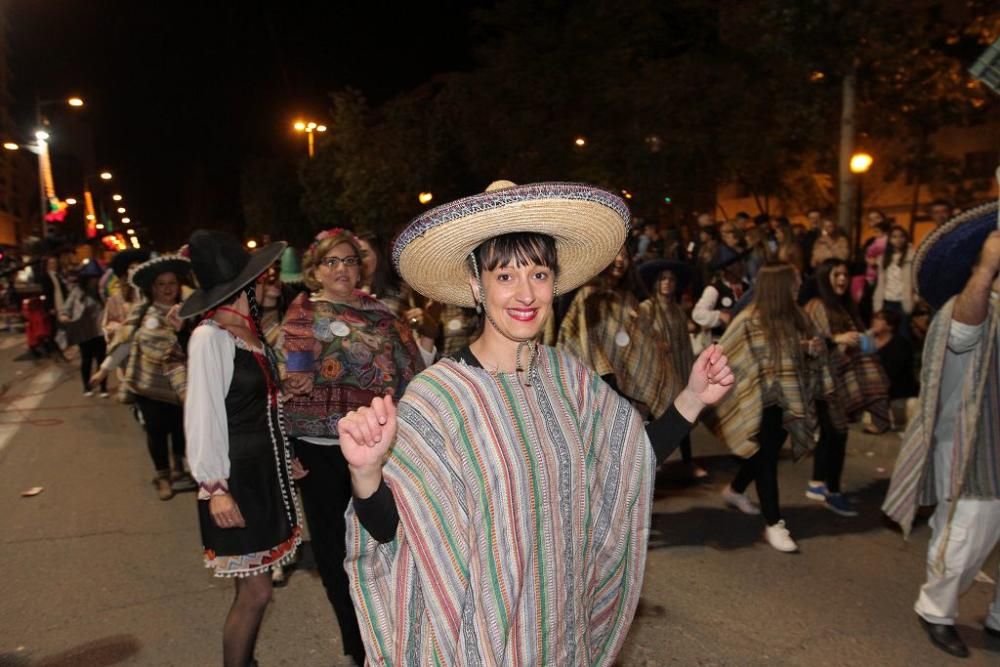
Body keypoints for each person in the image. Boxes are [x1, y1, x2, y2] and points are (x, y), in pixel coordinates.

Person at [337, 180, 733, 665]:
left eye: (539, 274)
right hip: (484, 641)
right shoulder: (437, 399)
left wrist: (692, 399)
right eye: (504, 276)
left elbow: (626, 464)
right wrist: (366, 474)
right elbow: (395, 533)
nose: (525, 293)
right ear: (475, 286)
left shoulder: (570, 377)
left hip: (562, 633)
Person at [280, 227, 425, 667]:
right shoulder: (303, 312)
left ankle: (390, 633)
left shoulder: (383, 315)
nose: (341, 269)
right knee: (333, 553)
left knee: (384, 544)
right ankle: (357, 647)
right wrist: (288, 440)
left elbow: (412, 372)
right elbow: (291, 375)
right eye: (332, 262)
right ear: (316, 270)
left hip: (378, 446)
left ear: (361, 266)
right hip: (320, 448)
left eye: (349, 260)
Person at [180, 230, 303, 667]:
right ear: (244, 286)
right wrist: (215, 486)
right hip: (235, 478)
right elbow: (202, 416)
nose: (269, 283)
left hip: (262, 472)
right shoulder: (209, 337)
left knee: (254, 587)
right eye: (262, 278)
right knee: (257, 590)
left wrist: (287, 455)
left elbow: (259, 406)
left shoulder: (246, 333)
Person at [883, 201, 1000, 658]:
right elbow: (965, 331)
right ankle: (936, 611)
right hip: (976, 449)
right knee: (963, 544)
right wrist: (987, 269)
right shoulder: (967, 305)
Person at [713, 263, 840, 551]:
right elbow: (728, 353)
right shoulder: (748, 320)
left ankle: (734, 490)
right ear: (778, 286)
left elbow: (796, 349)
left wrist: (812, 348)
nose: (798, 287)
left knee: (764, 454)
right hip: (760, 401)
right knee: (767, 459)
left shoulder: (796, 316)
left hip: (789, 397)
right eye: (793, 282)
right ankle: (774, 524)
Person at [558, 245, 671, 419]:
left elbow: (643, 338)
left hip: (629, 384)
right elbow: (582, 343)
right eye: (615, 255)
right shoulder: (588, 296)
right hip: (599, 384)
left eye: (625, 256)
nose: (620, 260)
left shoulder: (627, 299)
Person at [116, 255, 193, 500]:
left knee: (182, 429)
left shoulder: (190, 312)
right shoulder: (142, 314)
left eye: (172, 282)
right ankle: (162, 476)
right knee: (156, 432)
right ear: (152, 288)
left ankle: (180, 467)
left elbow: (192, 346)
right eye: (161, 284)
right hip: (149, 386)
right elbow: (125, 345)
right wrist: (103, 370)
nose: (168, 288)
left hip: (181, 384)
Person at [806, 258, 892, 434]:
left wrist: (860, 339)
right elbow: (815, 340)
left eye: (845, 274)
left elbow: (858, 332)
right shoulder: (817, 304)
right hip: (823, 362)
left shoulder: (845, 305)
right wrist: (839, 338)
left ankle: (876, 417)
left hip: (847, 356)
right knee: (863, 363)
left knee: (870, 361)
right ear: (824, 277)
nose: (842, 279)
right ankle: (857, 413)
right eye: (837, 274)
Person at [638, 259, 707, 478]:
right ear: (656, 283)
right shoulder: (646, 309)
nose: (667, 283)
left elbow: (685, 345)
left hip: (677, 369)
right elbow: (638, 339)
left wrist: (689, 374)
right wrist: (654, 344)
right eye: (663, 279)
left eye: (671, 279)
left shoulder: (677, 310)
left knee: (684, 413)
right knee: (652, 417)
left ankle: (688, 461)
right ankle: (649, 461)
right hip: (654, 373)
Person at [60, 260, 109, 397]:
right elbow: (67, 307)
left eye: (97, 277)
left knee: (102, 360)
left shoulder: (102, 292)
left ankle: (103, 388)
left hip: (100, 331)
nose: (94, 280)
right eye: (92, 277)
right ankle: (87, 387)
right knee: (86, 360)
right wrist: (64, 315)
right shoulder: (78, 291)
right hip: (84, 331)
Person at [692, 246, 750, 343]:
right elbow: (698, 314)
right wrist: (720, 315)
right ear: (727, 268)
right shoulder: (715, 289)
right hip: (723, 342)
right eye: (737, 263)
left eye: (741, 262)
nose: (741, 266)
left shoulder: (747, 288)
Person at [873, 225, 916, 338]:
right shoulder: (883, 258)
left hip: (904, 300)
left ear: (906, 238)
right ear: (890, 239)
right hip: (887, 300)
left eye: (901, 236)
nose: (898, 239)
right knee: (887, 333)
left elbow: (916, 279)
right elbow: (880, 282)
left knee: (903, 333)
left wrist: (916, 297)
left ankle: (904, 355)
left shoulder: (912, 256)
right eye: (894, 236)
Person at [102, 249, 149, 342]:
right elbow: (108, 324)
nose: (136, 270)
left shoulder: (152, 292)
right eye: (132, 267)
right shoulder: (115, 298)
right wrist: (123, 328)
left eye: (139, 267)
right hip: (126, 344)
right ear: (126, 272)